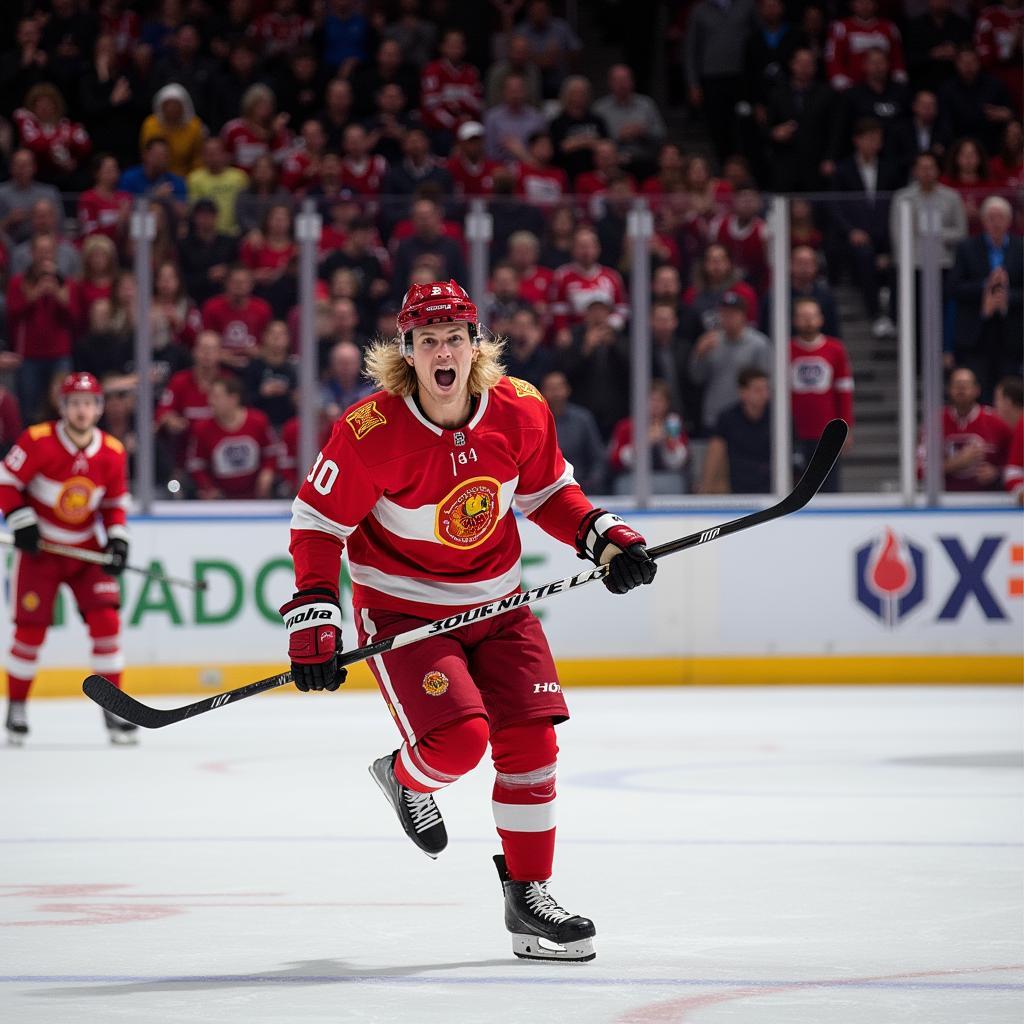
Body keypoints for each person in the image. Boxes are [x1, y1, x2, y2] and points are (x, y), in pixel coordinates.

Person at [281, 279, 656, 962]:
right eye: (429, 341)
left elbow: (549, 492)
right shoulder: (370, 431)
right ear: (409, 354)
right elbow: (316, 522)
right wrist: (314, 612)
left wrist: (603, 536)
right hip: (405, 611)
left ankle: (528, 898)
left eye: (456, 337)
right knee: (459, 743)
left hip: (501, 604)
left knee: (532, 742)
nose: (444, 351)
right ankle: (404, 776)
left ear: (475, 346)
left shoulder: (521, 410)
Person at [0, 372, 134, 746]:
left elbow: (114, 504)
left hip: (86, 551)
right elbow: (6, 482)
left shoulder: (112, 451)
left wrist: (118, 541)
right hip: (41, 552)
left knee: (107, 623)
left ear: (99, 408)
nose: (82, 410)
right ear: (63, 407)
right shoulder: (38, 441)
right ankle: (17, 708)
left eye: (89, 403)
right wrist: (21, 521)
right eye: (74, 403)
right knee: (30, 631)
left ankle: (115, 710)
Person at [789, 298, 855, 492]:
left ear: (821, 319)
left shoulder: (835, 349)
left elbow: (844, 390)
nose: (808, 321)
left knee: (829, 484)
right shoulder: (787, 350)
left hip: (827, 433)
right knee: (798, 486)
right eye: (803, 317)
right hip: (796, 432)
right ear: (794, 320)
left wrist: (846, 427)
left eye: (812, 316)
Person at [689, 291, 772, 434]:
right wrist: (699, 354)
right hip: (714, 415)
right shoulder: (710, 341)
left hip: (747, 417)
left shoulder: (759, 344)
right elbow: (696, 378)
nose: (728, 318)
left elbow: (767, 383)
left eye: (733, 314)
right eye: (724, 314)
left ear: (743, 316)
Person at [186, 376, 276, 499]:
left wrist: (267, 473)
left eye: (216, 397)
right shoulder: (202, 428)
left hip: (256, 497)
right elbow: (196, 464)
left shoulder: (258, 420)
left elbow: (272, 452)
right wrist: (208, 487)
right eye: (210, 396)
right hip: (220, 500)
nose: (210, 401)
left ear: (233, 399)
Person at [928, 366, 1012, 491]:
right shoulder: (935, 423)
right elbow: (919, 470)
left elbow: (1018, 465)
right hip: (945, 502)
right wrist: (955, 463)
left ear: (977, 390)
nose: (961, 389)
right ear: (949, 389)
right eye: (957, 385)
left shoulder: (996, 422)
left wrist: (997, 473)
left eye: (966, 385)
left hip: (989, 502)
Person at [608, 380, 690, 494]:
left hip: (667, 478)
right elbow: (614, 461)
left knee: (675, 481)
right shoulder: (626, 426)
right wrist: (643, 443)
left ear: (667, 404)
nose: (655, 405)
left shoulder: (672, 424)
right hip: (632, 478)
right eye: (651, 400)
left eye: (660, 401)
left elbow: (682, 462)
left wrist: (668, 441)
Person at [700, 367, 772, 494]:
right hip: (737, 485)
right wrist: (705, 487)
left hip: (772, 486)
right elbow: (716, 450)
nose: (764, 394)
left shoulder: (778, 419)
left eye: (765, 389)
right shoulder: (728, 418)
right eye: (757, 390)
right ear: (743, 392)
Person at [539, 369, 606, 493]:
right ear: (542, 392)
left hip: (581, 487)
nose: (556, 393)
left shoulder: (583, 419)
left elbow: (598, 458)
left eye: (559, 387)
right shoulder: (534, 421)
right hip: (543, 491)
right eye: (551, 388)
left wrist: (592, 483)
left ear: (567, 389)